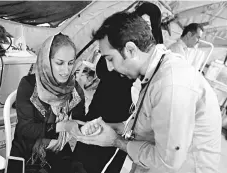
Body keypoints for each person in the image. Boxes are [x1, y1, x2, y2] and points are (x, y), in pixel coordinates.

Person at [73, 11, 222, 173]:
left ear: (130, 50)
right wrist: (120, 128)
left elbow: (167, 162)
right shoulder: (157, 72)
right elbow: (153, 123)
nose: (109, 67)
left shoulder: (170, 85)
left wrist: (115, 141)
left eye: (110, 59)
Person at [10, 33, 87, 173]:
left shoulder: (75, 90)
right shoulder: (29, 85)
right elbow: (25, 129)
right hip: (27, 152)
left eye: (71, 63)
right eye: (59, 63)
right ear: (46, 61)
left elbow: (80, 121)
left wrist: (87, 128)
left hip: (58, 151)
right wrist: (61, 126)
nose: (66, 70)